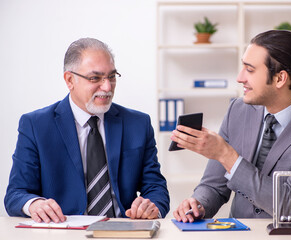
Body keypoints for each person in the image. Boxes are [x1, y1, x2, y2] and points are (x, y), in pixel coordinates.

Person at [171, 30, 291, 222]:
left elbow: (289, 203)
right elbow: (213, 186)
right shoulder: (238, 110)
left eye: (250, 70)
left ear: (280, 78)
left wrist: (225, 154)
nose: (240, 77)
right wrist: (198, 204)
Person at [5, 38, 169, 223]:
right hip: (63, 231)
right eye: (95, 78)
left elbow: (156, 187)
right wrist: (34, 204)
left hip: (123, 230)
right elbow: (15, 194)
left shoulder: (138, 124)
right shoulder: (36, 125)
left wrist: (152, 206)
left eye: (112, 76)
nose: (107, 87)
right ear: (69, 80)